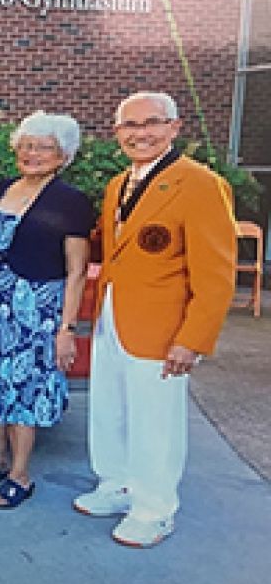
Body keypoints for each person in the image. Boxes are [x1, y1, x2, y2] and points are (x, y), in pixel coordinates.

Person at [74, 92, 236, 547]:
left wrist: (194, 338)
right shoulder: (118, 185)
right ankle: (116, 483)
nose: (140, 133)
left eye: (151, 123)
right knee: (109, 408)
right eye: (129, 126)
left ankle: (155, 508)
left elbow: (217, 273)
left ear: (174, 127)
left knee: (155, 421)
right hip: (114, 317)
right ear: (116, 132)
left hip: (163, 329)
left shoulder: (200, 184)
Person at [0, 112, 93, 508]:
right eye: (26, 145)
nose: (32, 154)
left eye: (43, 147)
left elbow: (77, 271)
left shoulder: (71, 202)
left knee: (23, 391)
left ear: (62, 155)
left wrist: (66, 329)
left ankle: (20, 474)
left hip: (37, 311)